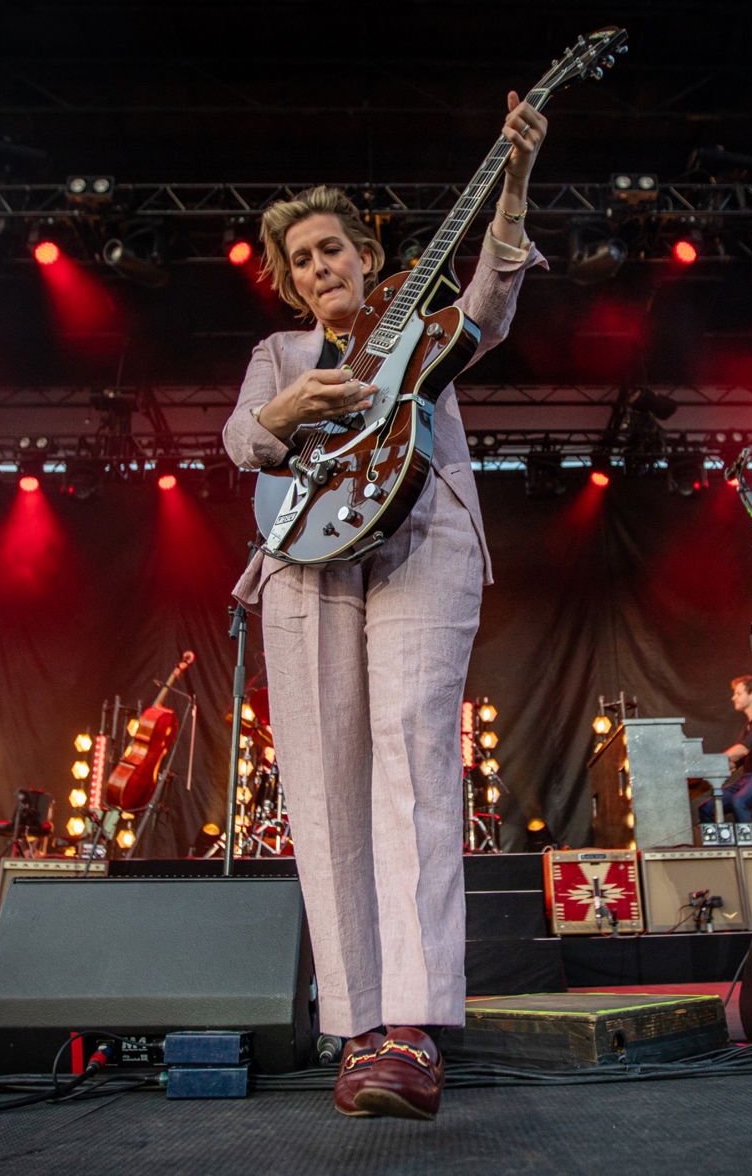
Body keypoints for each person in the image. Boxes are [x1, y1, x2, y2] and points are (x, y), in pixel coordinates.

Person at [221, 93, 547, 1121]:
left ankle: (410, 1027)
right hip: (305, 556)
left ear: (367, 254)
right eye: (300, 262)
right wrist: (282, 413)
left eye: (332, 251)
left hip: (421, 536)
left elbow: (494, 303)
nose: (319, 270)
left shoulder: (427, 321)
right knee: (320, 776)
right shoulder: (279, 356)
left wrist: (515, 179)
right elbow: (240, 442)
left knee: (411, 752)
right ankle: (356, 1022)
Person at [699, 676, 752, 824]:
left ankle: (749, 845)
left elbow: (743, 749)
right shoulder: (748, 726)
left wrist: (709, 762)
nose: (734, 698)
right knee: (706, 808)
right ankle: (720, 847)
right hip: (747, 779)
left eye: (738, 694)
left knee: (739, 801)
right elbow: (736, 761)